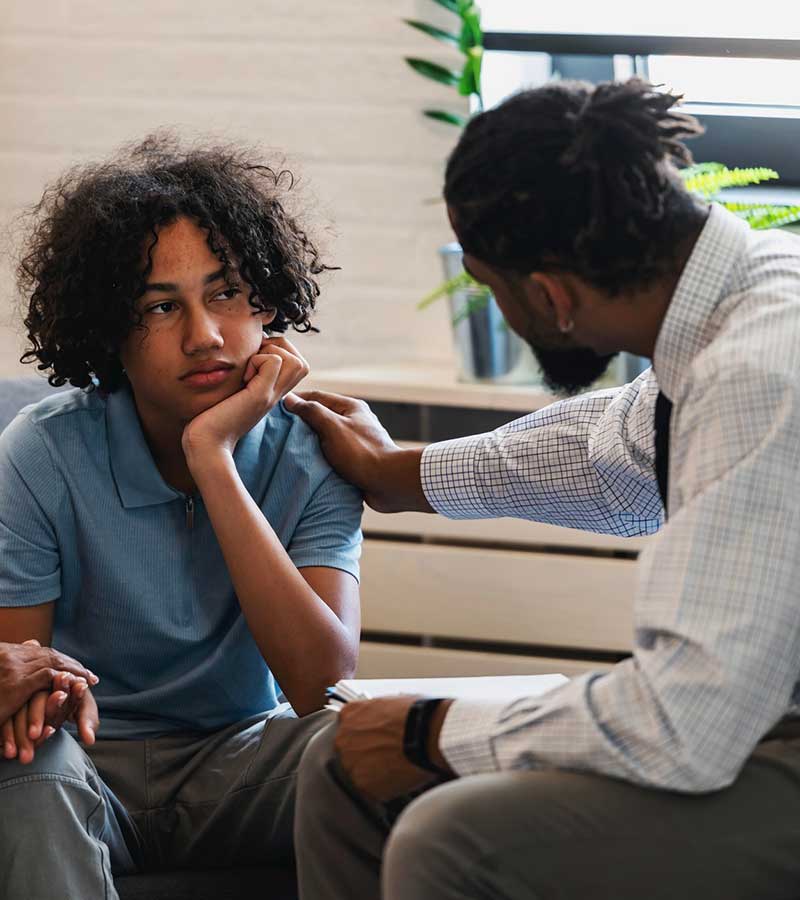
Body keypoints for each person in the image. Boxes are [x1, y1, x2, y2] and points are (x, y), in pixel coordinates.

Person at [286, 78, 800, 900]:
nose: (500, 310)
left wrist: (431, 732)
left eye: (490, 286)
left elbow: (686, 721)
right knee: (340, 764)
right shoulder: (734, 307)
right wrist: (397, 473)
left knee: (449, 840)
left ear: (551, 294)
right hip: (747, 714)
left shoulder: (760, 371)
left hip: (751, 731)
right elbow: (611, 449)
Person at [0, 135, 362, 898]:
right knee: (25, 765)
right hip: (84, 761)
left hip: (246, 761)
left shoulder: (314, 453)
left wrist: (212, 457)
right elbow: (24, 690)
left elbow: (320, 683)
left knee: (366, 745)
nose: (204, 336)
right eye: (161, 307)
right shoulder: (43, 450)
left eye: (226, 293)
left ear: (266, 301)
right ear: (110, 331)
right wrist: (39, 696)